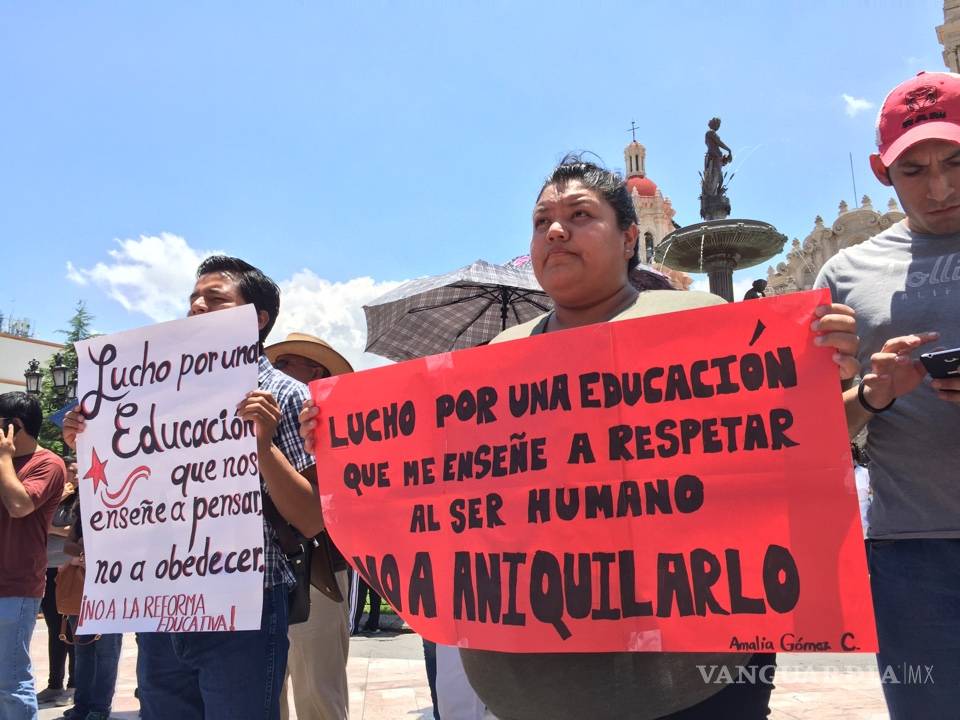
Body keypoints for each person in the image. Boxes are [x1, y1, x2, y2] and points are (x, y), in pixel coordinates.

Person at [299, 156, 861, 719]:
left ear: (630, 237)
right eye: (542, 221)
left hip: (692, 671)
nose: (555, 231)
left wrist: (820, 376)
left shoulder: (702, 322)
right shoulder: (498, 359)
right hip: (537, 678)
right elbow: (438, 490)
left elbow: (778, 459)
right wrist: (344, 443)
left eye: (579, 215)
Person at [64, 256, 323, 720]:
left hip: (246, 603)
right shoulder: (150, 396)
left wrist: (263, 448)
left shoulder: (286, 395)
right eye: (193, 299)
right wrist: (89, 440)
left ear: (257, 318)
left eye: (215, 298)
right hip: (163, 605)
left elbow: (310, 518)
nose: (197, 307)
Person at [814, 70, 960, 719]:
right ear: (881, 171)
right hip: (909, 560)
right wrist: (870, 395)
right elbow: (814, 436)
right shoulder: (844, 273)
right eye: (914, 170)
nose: (941, 188)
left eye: (957, 161)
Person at [265, 332, 352, 720]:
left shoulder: (344, 428)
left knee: (317, 686)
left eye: (284, 365)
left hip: (316, 564)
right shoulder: (256, 414)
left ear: (312, 371)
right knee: (267, 687)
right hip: (266, 564)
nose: (274, 373)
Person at [0, 391, 66, 720]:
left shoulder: (48, 464)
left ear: (14, 426)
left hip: (15, 587)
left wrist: (2, 458)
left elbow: (19, 505)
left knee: (10, 682)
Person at [60, 493, 123, 720]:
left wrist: (87, 549)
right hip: (82, 591)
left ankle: (100, 708)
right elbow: (68, 545)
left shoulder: (123, 513)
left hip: (111, 592)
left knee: (107, 653)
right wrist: (82, 554)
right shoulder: (83, 513)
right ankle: (81, 706)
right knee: (83, 651)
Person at [36, 456, 77, 707]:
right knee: (54, 627)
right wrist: (58, 498)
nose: (69, 476)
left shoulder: (81, 500)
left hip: (69, 569)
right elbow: (36, 520)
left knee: (70, 627)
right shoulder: (57, 498)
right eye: (66, 472)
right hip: (47, 568)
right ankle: (54, 683)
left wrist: (51, 528)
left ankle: (75, 683)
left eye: (73, 471)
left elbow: (71, 530)